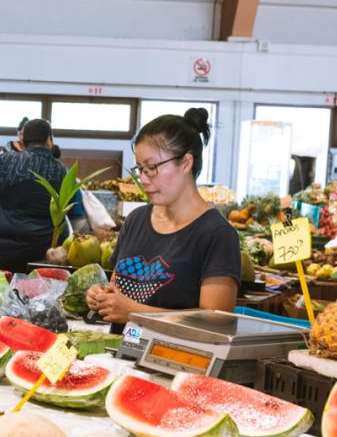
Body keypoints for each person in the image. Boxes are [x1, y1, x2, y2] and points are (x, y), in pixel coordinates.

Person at [86, 109, 240, 329]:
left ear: (186, 163)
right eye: (140, 169)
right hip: (121, 355)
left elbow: (215, 321)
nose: (144, 179)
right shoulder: (136, 219)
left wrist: (133, 312)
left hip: (177, 359)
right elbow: (117, 288)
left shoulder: (216, 233)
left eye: (152, 168)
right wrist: (102, 297)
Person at [0, 118, 69, 274]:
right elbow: (67, 209)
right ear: (48, 140)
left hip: (1, 254)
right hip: (41, 258)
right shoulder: (61, 171)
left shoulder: (7, 160)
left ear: (22, 140)